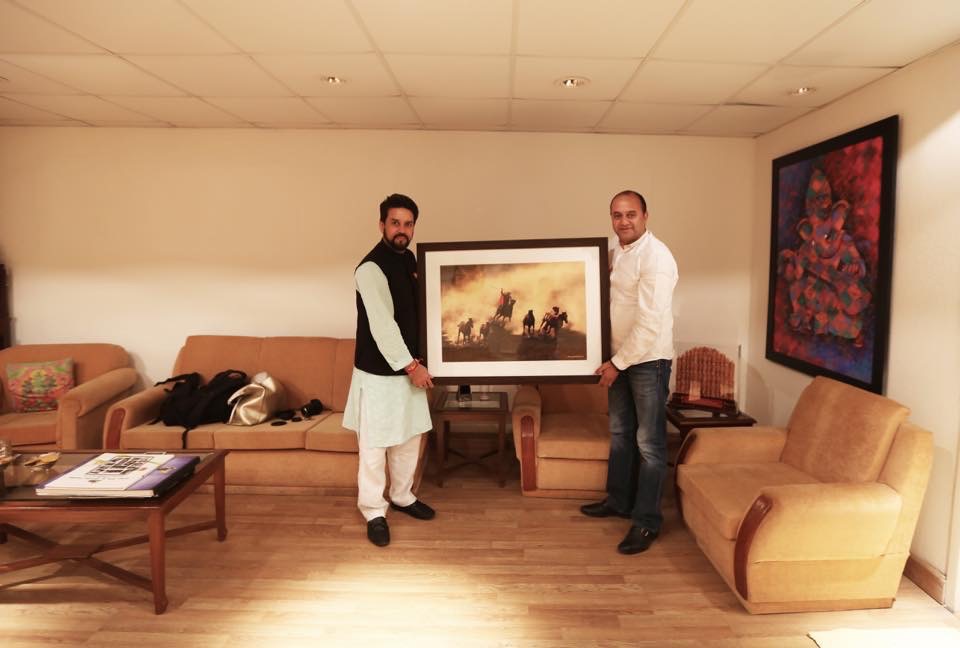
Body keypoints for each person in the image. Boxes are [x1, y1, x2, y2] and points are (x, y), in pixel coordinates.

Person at [581, 190, 678, 555]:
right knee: (621, 433)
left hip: (648, 361)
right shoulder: (614, 252)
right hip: (618, 359)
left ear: (645, 216)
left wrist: (617, 364)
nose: (623, 221)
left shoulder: (657, 258)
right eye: (617, 215)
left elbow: (650, 322)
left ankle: (647, 521)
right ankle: (618, 501)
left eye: (631, 214)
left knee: (649, 444)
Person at [343, 193, 436, 547]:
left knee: (408, 439)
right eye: (395, 223)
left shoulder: (408, 259)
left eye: (408, 224)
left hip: (410, 369)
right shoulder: (370, 269)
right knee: (374, 447)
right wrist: (412, 366)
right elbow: (383, 326)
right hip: (379, 375)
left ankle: (402, 496)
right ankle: (373, 511)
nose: (402, 230)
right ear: (381, 224)